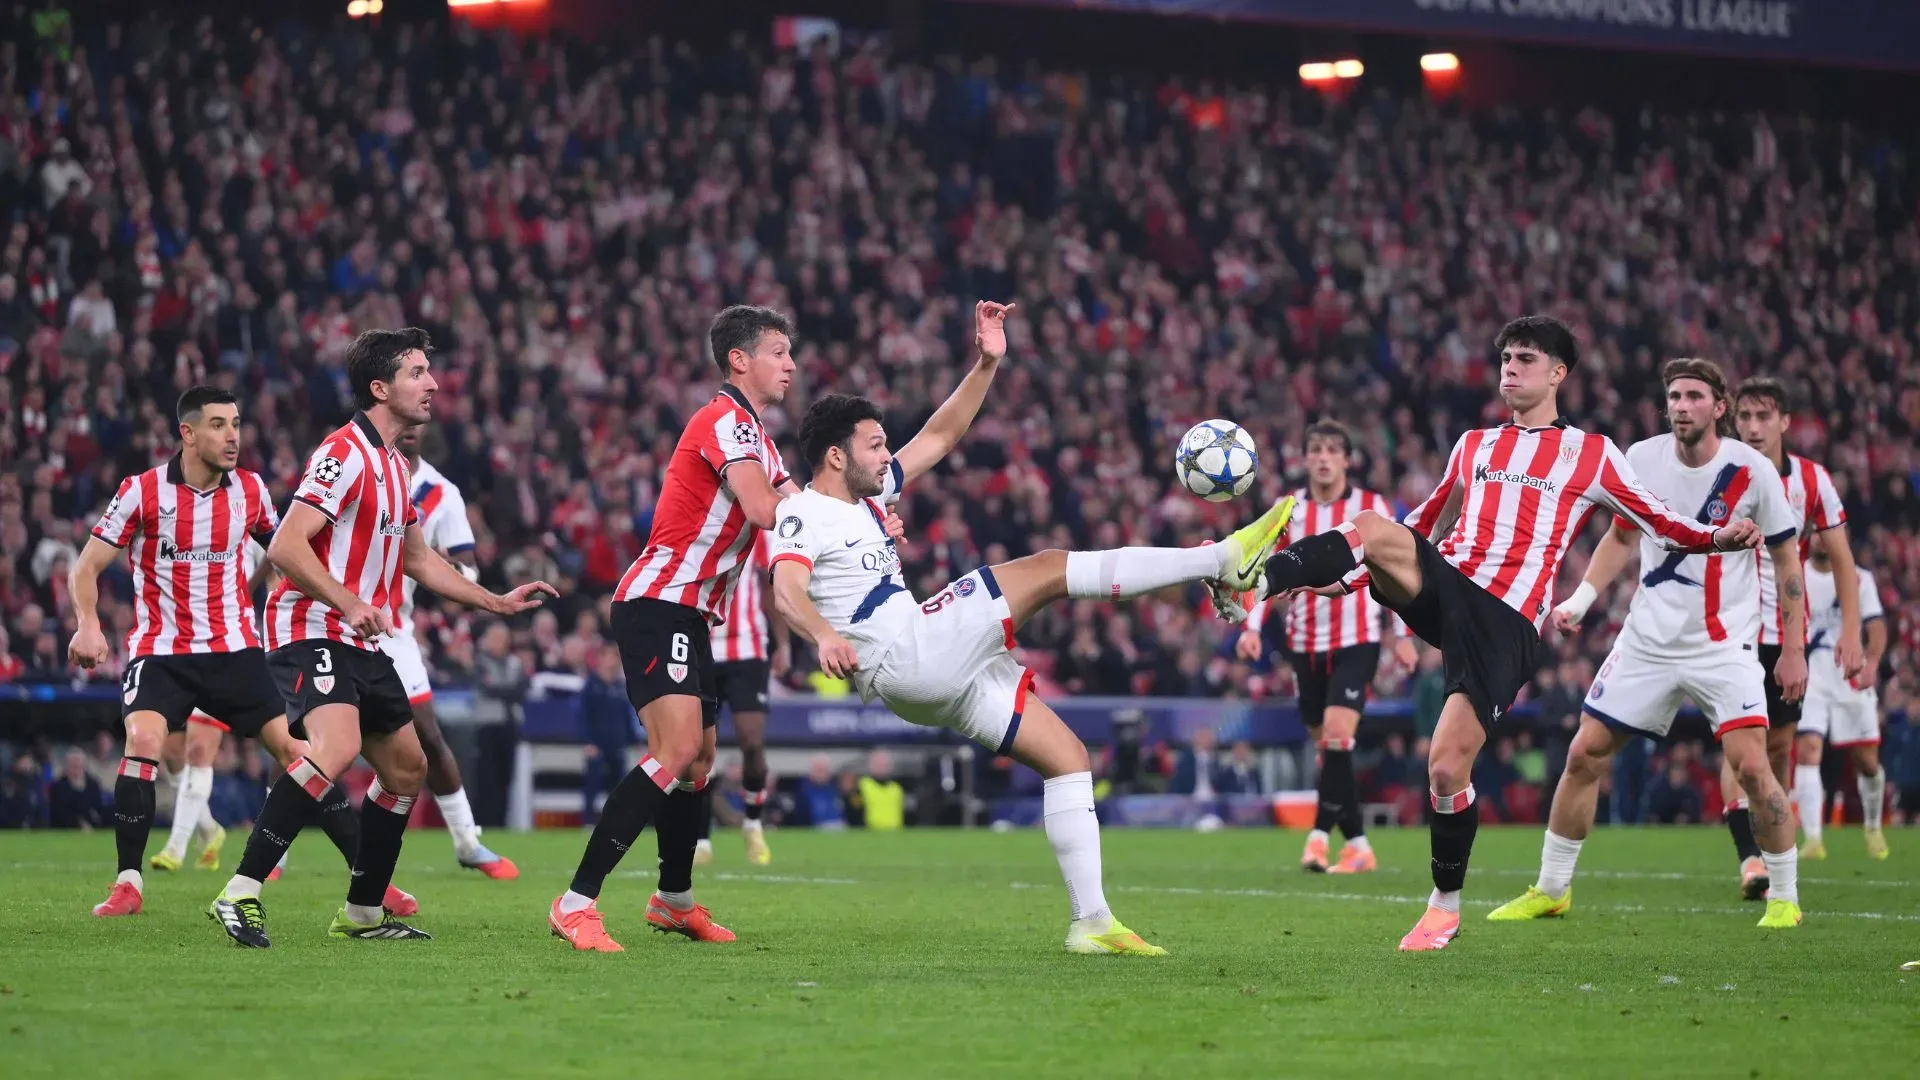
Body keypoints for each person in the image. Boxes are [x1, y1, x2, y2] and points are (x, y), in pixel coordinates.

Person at [769, 302, 1291, 955]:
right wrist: (821, 634)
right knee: (1044, 569)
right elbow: (785, 590)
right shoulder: (802, 512)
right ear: (834, 457)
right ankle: (1220, 559)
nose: (887, 453)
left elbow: (940, 436)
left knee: (1068, 760)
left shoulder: (872, 497)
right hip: (903, 650)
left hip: (929, 668)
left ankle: (1093, 923)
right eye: (874, 444)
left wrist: (987, 362)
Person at [1245, 316, 1762, 951]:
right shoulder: (1474, 445)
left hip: (1506, 623)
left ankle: (1444, 906)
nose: (1509, 368)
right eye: (1506, 358)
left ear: (1558, 374)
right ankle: (1258, 577)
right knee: (1376, 526)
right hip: (1449, 586)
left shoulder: (1593, 454)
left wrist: (1716, 535)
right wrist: (1350, 581)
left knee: (1444, 769)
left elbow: (1657, 519)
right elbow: (1422, 524)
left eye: (1524, 358)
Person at [208, 328, 553, 947]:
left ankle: (363, 912)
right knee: (335, 748)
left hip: (359, 636)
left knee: (407, 767)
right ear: (380, 387)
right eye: (417, 373)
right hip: (309, 625)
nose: (433, 384)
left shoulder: (396, 466)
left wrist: (493, 601)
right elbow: (286, 546)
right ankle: (241, 891)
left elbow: (420, 560)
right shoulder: (342, 454)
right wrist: (350, 601)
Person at [1488, 357, 1806, 930]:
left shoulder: (1752, 471)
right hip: (1647, 642)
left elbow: (1786, 558)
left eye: (1693, 396)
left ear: (1718, 406)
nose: (1681, 406)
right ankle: (1552, 888)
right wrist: (1582, 600)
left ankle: (1784, 896)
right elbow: (1621, 536)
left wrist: (1793, 648)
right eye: (1674, 397)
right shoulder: (1641, 459)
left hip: (1722, 645)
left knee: (1753, 769)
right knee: (1584, 754)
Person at [68, 386, 402, 917]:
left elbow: (290, 551)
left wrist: (339, 595)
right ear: (187, 433)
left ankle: (371, 879)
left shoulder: (250, 490)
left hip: (236, 651)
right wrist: (87, 625)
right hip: (162, 652)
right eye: (219, 425)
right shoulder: (143, 491)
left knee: (302, 756)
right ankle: (128, 883)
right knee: (145, 740)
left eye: (237, 424)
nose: (232, 437)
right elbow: (86, 566)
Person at [548, 305, 806, 953]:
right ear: (740, 359)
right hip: (658, 601)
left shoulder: (760, 439)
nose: (792, 364)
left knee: (697, 761)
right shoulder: (723, 421)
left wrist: (867, 518)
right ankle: (576, 902)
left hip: (691, 612)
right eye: (779, 351)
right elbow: (762, 508)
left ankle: (674, 899)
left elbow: (800, 504)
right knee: (676, 749)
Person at [1237, 419, 1416, 873]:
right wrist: (1252, 626)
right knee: (1332, 752)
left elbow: (1394, 568)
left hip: (1357, 640)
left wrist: (1404, 634)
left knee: (1337, 738)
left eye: (1332, 449)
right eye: (1315, 448)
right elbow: (1262, 570)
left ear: (1347, 459)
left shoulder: (1372, 507)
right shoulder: (1288, 509)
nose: (1323, 457)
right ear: (1304, 458)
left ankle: (1317, 840)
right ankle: (1358, 843)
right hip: (1304, 645)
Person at [1719, 375, 1863, 898]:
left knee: (1777, 745)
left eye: (1764, 417)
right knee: (1738, 744)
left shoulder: (1811, 479)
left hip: (1784, 631)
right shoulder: (1721, 472)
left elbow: (1841, 559)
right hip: (1728, 628)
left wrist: (1851, 632)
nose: (1753, 427)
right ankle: (1750, 860)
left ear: (1784, 421)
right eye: (1745, 417)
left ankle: (1768, 840)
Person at [379, 425, 517, 879]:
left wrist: (435, 558)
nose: (412, 431)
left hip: (395, 629)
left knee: (428, 737)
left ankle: (467, 843)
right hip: (336, 620)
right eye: (406, 422)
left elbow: (469, 573)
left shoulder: (442, 494)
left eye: (421, 424)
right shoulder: (360, 469)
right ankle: (275, 855)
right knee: (308, 740)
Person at [1794, 533, 1889, 860]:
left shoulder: (1859, 578)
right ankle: (1813, 840)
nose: (1821, 538)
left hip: (1849, 674)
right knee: (1807, 750)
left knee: (1867, 762)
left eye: (1827, 531)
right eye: (1816, 531)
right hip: (1810, 675)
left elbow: (1875, 625)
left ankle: (1873, 826)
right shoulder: (1796, 573)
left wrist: (1872, 663)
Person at [696, 531, 787, 866]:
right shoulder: (698, 528)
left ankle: (752, 822)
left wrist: (783, 643)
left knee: (752, 742)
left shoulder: (758, 531)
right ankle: (701, 839)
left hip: (749, 648)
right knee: (700, 749)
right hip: (703, 648)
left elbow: (769, 587)